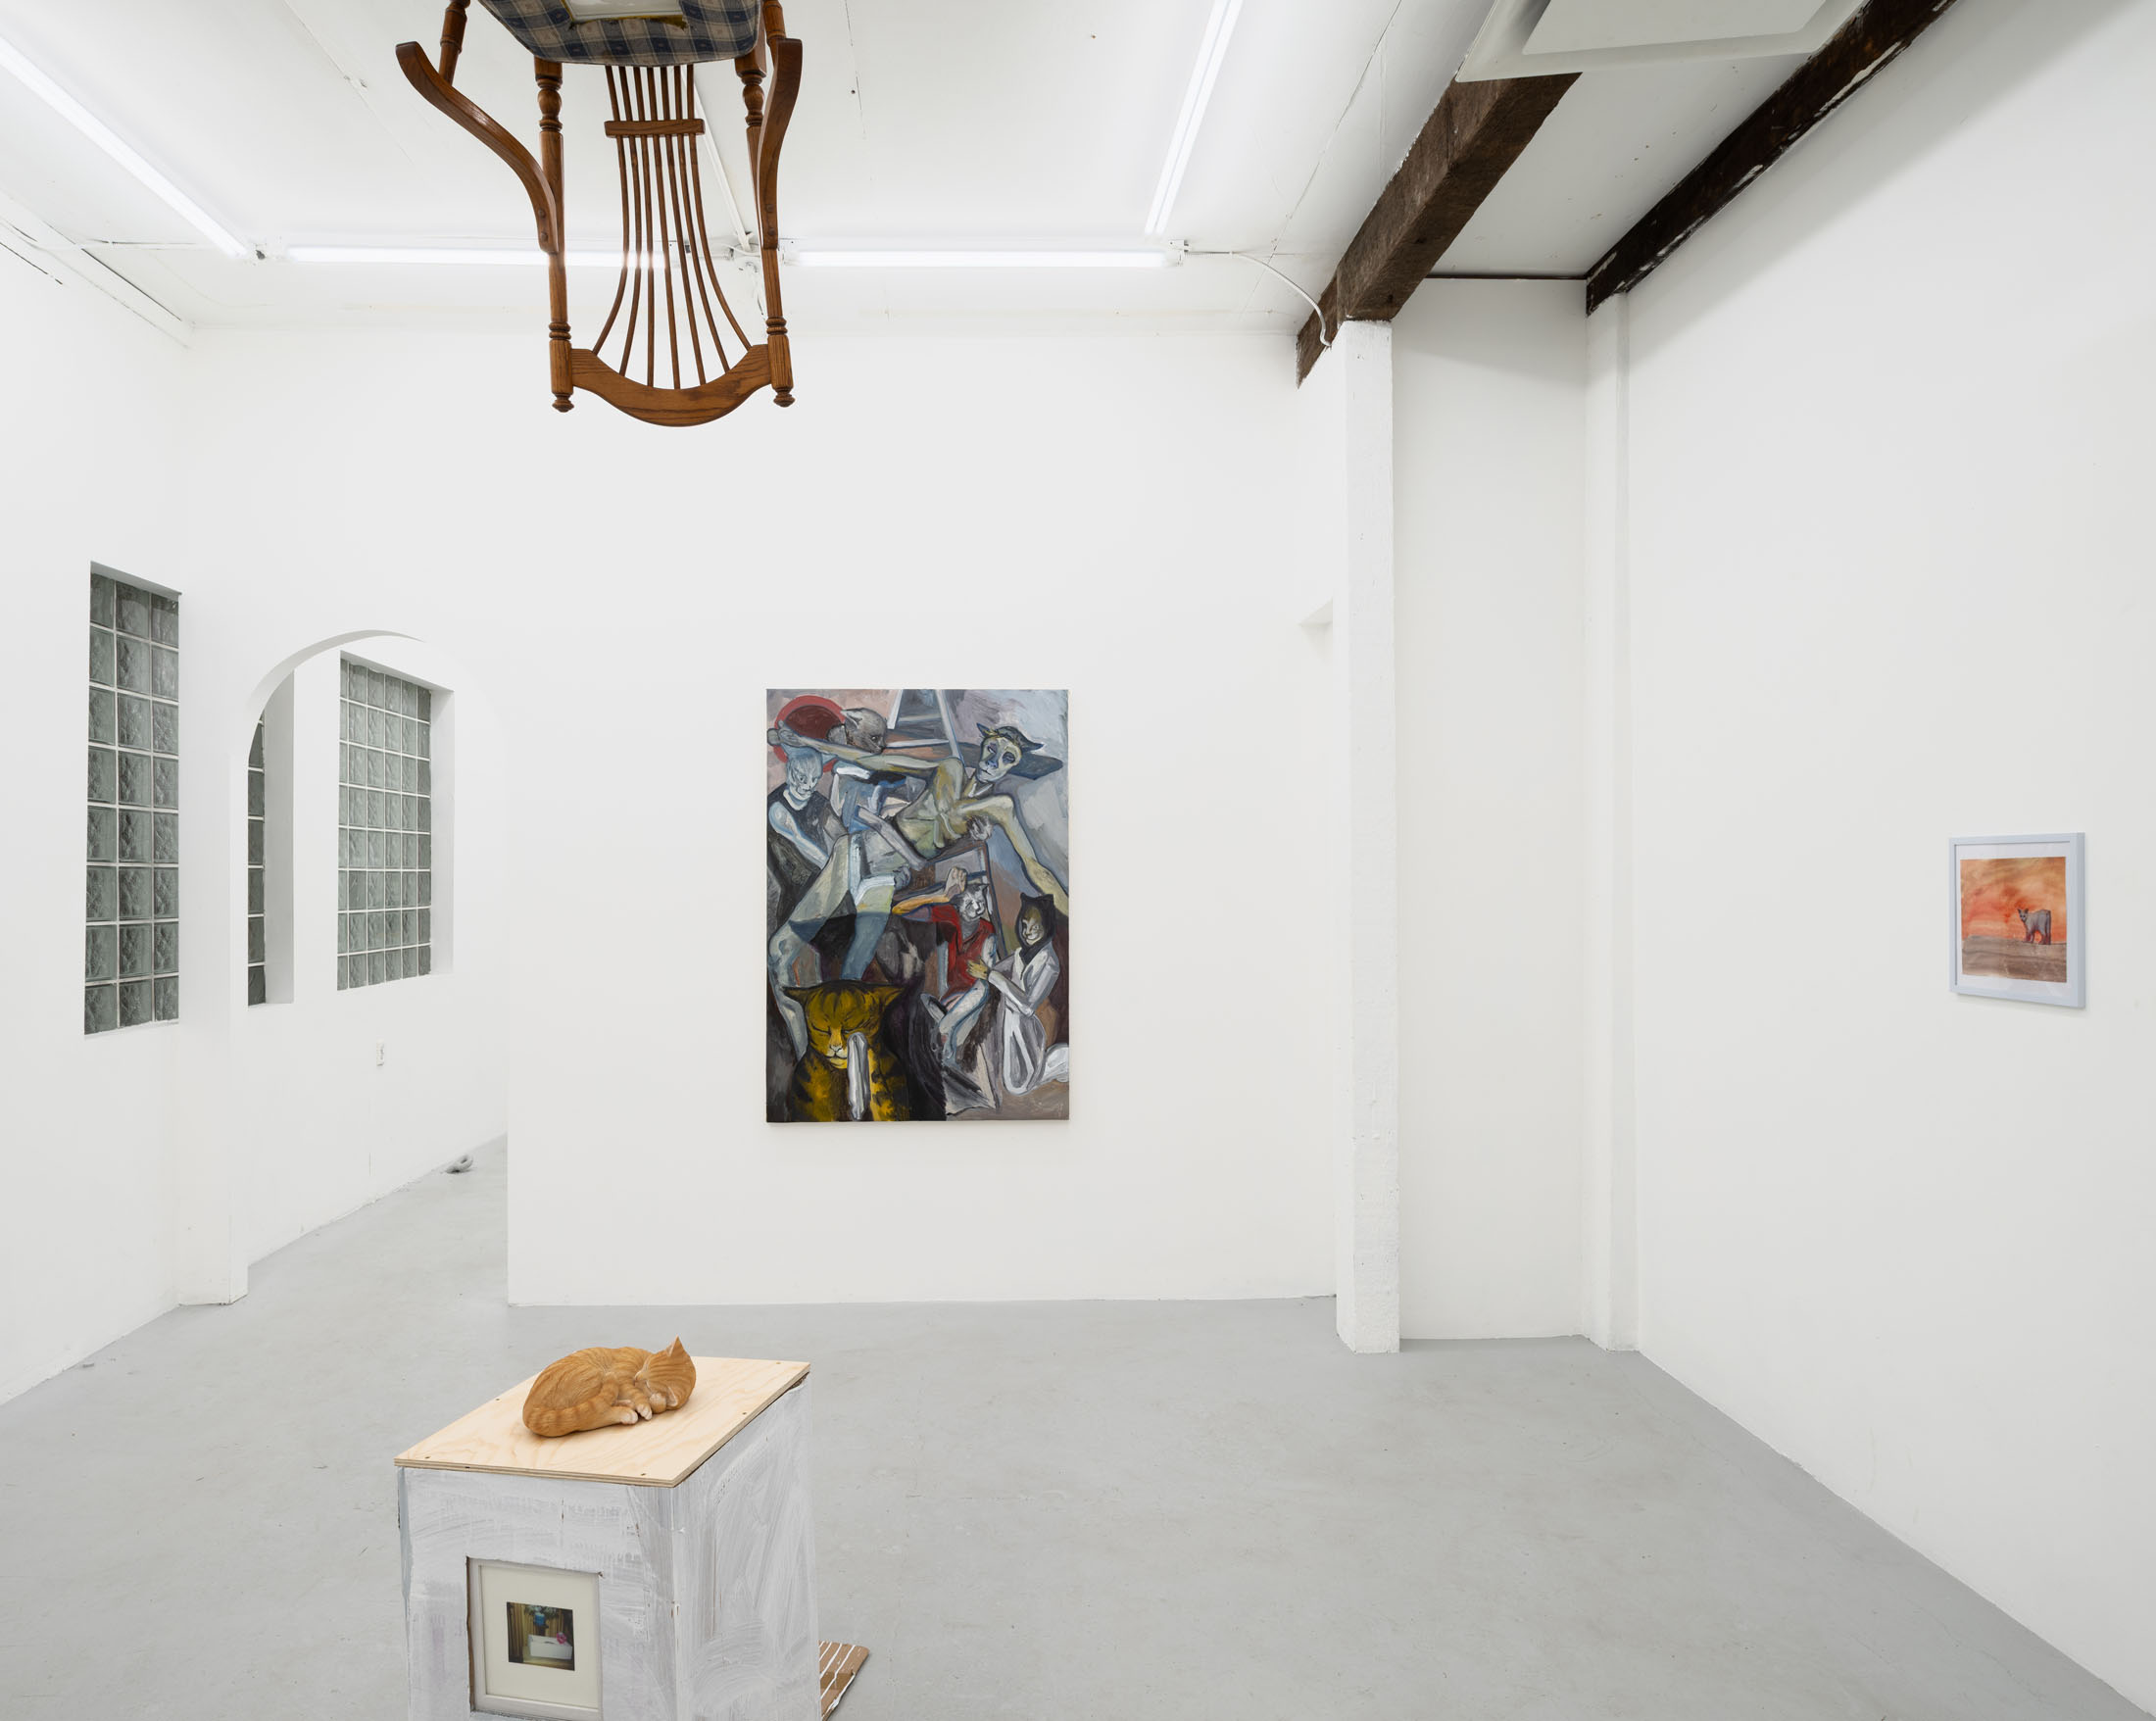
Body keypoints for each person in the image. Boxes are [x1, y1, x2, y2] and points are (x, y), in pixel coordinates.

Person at [982, 899, 1068, 1096]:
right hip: (1009, 1024)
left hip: (1027, 1028)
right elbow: (996, 971)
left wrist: (992, 976)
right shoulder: (1020, 954)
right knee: (1011, 1082)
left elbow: (1028, 1007)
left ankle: (1064, 1058)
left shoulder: (1050, 964)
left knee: (1018, 1086)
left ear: (1046, 928)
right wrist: (987, 965)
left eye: (1035, 928)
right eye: (1024, 925)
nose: (1027, 933)